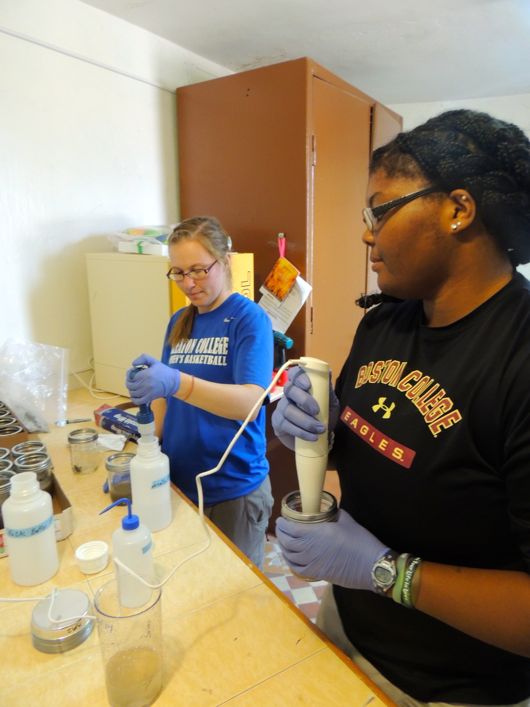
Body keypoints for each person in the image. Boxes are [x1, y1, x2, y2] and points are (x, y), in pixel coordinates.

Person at [272, 109, 530, 706]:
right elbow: (399, 450)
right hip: (349, 627)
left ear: (458, 209)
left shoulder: (518, 358)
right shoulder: (388, 318)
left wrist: (388, 571)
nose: (367, 234)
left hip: (454, 686)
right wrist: (321, 432)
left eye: (380, 210)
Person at [126, 216, 273, 569]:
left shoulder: (248, 319)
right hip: (178, 482)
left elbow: (251, 404)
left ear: (224, 262)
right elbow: (165, 401)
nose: (188, 283)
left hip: (232, 490)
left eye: (198, 270)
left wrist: (179, 382)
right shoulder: (178, 321)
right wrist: (145, 453)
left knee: (236, 596)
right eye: (178, 272)